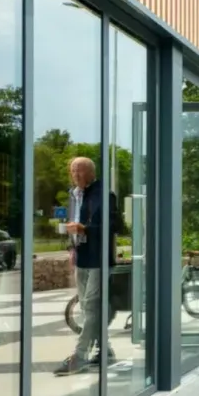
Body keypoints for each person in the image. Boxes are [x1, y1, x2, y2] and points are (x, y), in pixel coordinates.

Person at [55, 156, 119, 376]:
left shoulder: (105, 195)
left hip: (98, 259)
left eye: (80, 171)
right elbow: (73, 222)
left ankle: (80, 355)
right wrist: (71, 245)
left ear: (91, 173)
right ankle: (105, 350)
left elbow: (113, 225)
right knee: (87, 308)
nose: (76, 175)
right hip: (81, 257)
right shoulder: (73, 195)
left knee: (91, 306)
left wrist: (85, 229)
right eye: (73, 171)